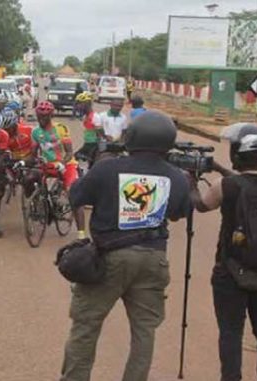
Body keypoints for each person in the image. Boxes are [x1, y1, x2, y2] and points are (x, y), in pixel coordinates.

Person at [59, 111, 190, 381]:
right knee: (144, 332)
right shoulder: (175, 176)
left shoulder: (108, 168)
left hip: (108, 258)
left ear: (130, 138)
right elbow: (179, 213)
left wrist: (97, 163)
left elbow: (76, 195)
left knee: (87, 326)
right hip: (153, 260)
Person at [190, 124, 257, 381]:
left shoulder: (226, 186)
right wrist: (220, 169)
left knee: (231, 332)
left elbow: (201, 205)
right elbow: (252, 181)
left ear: (238, 153)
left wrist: (190, 183)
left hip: (230, 270)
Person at [31, 101, 78, 190]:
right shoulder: (35, 132)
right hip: (47, 166)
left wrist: (62, 163)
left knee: (71, 190)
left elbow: (69, 152)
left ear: (51, 116)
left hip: (66, 164)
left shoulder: (61, 128)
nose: (42, 119)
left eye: (45, 116)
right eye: (39, 116)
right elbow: (33, 154)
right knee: (30, 179)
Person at [74, 92, 102, 165]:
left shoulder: (95, 117)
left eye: (80, 104)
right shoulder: (86, 116)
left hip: (93, 146)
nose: (78, 106)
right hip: (87, 144)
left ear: (87, 104)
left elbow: (100, 134)